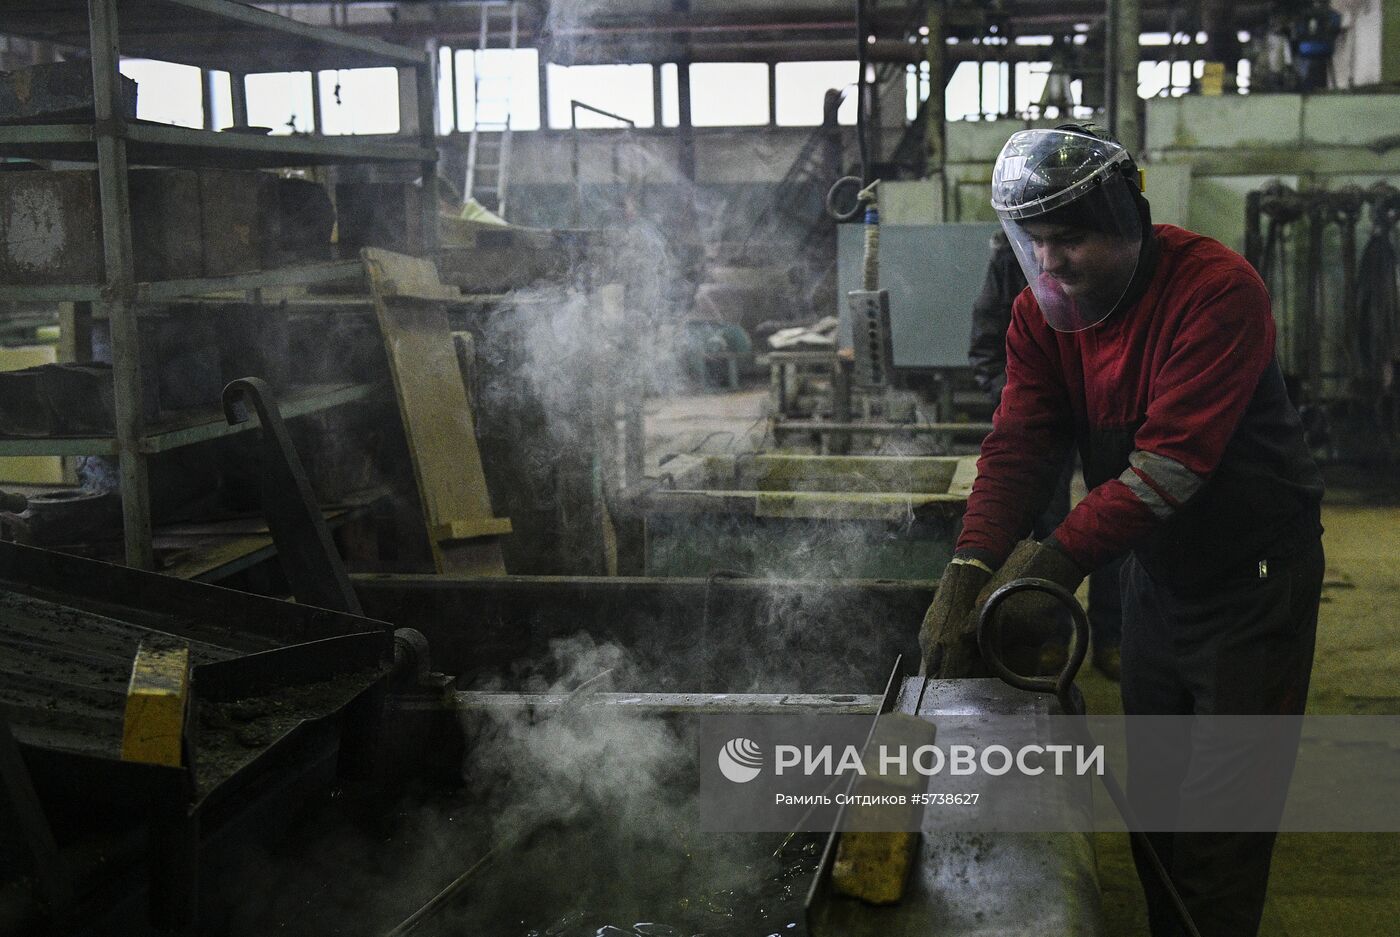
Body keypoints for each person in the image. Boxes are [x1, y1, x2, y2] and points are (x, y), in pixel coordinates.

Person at [920, 124, 1324, 937]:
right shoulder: (1044, 314)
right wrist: (967, 568)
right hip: (1156, 581)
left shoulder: (1215, 291)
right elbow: (1018, 444)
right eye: (1034, 242)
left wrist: (1051, 564)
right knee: (1157, 806)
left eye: (1069, 239)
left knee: (1221, 829)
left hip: (1251, 591)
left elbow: (1169, 466)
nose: (1049, 261)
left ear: (1127, 224)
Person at [967, 230, 1125, 679]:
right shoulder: (1007, 265)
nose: (1050, 261)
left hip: (1106, 416)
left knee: (1115, 520)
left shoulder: (1116, 268)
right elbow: (985, 347)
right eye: (1038, 241)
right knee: (1045, 527)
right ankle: (1052, 636)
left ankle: (1112, 637)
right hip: (1043, 423)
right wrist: (1029, 402)